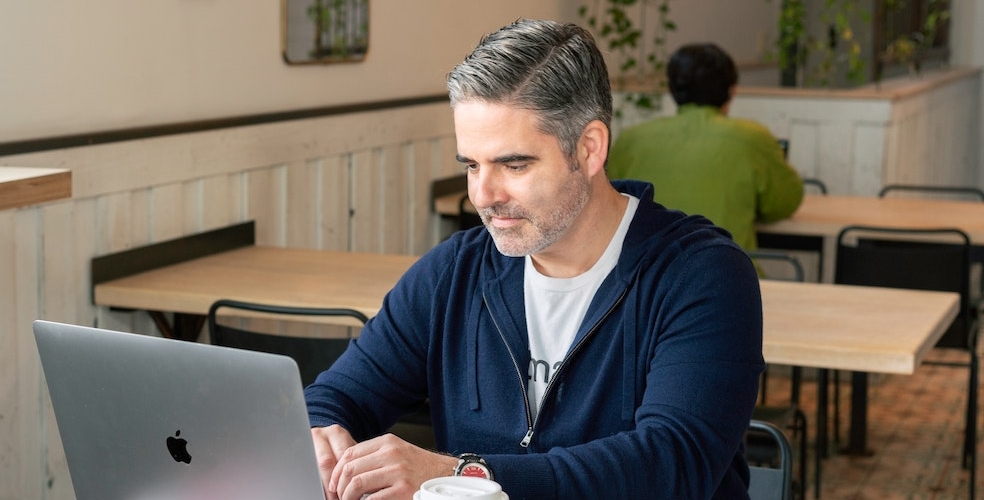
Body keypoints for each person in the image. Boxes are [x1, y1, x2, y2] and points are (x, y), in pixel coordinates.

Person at [304, 19, 764, 500]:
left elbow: (673, 464)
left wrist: (462, 473)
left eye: (514, 165)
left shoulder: (703, 275)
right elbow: (337, 397)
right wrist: (320, 434)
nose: (484, 195)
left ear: (589, 149)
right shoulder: (454, 271)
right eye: (472, 165)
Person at [607, 42, 804, 252]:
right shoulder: (753, 138)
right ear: (731, 90)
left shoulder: (632, 139)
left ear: (672, 88)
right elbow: (784, 203)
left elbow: (608, 202)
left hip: (645, 269)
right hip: (728, 267)